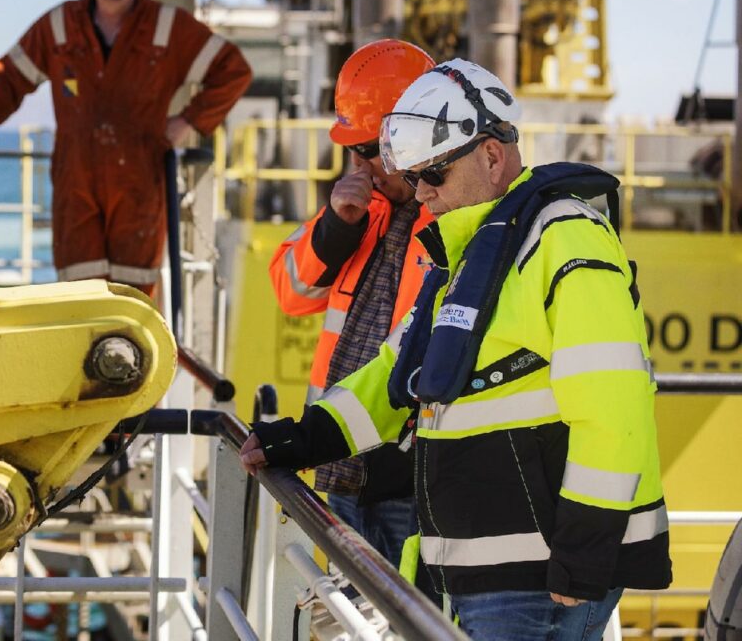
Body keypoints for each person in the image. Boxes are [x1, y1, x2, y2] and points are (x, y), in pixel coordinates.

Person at [241, 58, 671, 639]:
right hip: (481, 570)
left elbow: (612, 407)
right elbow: (399, 370)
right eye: (413, 178)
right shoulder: (473, 245)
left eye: (433, 176)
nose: (421, 195)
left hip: (541, 578)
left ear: (492, 156)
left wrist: (586, 551)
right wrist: (306, 437)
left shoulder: (566, 238)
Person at [0, 0, 252, 296]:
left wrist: (189, 120)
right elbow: (7, 81)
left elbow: (233, 70)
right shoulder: (59, 28)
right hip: (78, 188)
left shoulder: (168, 27)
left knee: (132, 303)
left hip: (139, 187)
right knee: (78, 301)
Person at [268, 39, 435, 568]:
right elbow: (291, 292)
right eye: (354, 149)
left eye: (368, 148)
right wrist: (338, 226)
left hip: (411, 482)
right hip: (342, 467)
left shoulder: (458, 219)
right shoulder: (361, 210)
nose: (359, 162)